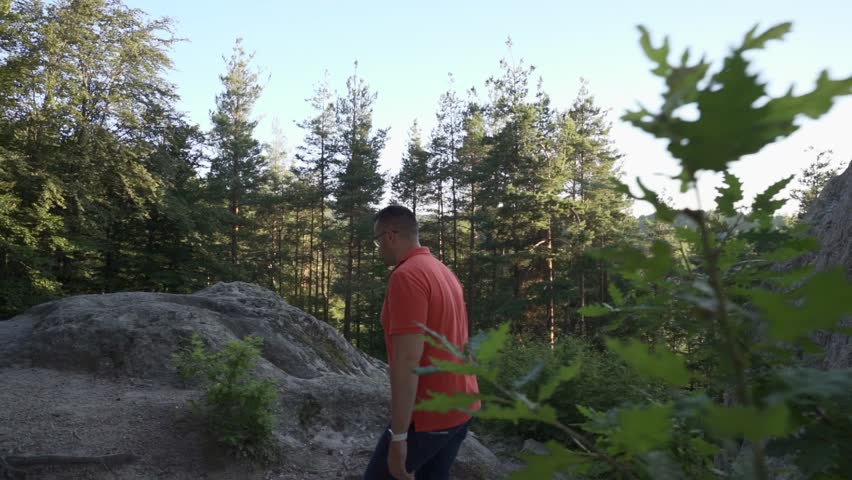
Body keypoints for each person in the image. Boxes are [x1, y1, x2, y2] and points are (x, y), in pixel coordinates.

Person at [363, 205, 480, 480]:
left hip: (430, 415)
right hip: (461, 404)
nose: (377, 248)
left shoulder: (407, 277)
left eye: (377, 241)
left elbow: (406, 362)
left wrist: (399, 437)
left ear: (391, 236)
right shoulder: (441, 271)